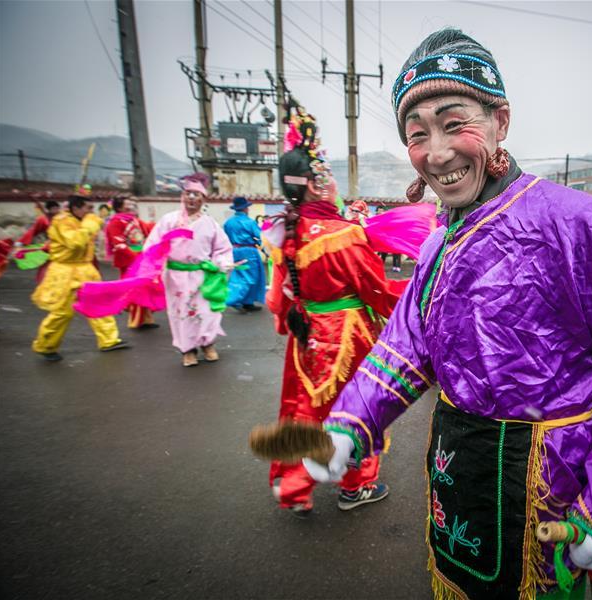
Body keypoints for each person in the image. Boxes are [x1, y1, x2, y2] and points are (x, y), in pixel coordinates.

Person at [302, 29, 592, 599]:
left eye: (454, 123)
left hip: (549, 478)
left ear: (500, 123)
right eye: (417, 135)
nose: (437, 152)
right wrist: (351, 424)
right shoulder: (439, 242)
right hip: (457, 466)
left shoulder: (580, 224)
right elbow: (406, 346)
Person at [265, 105, 404, 515]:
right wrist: (412, 308)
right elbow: (377, 291)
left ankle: (293, 486)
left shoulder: (282, 233)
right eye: (324, 174)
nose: (331, 181)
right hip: (347, 334)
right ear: (315, 184)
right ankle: (355, 486)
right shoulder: (345, 235)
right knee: (356, 408)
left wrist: (292, 317)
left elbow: (277, 302)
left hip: (305, 336)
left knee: (305, 409)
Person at [142, 174, 234, 367]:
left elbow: (223, 248)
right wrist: (153, 267)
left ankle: (208, 344)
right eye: (188, 193)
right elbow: (153, 245)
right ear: (182, 197)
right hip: (176, 277)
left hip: (202, 276)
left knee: (207, 312)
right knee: (181, 313)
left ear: (203, 199)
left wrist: (220, 263)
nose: (192, 198)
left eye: (196, 194)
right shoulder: (169, 221)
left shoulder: (210, 224)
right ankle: (188, 349)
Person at [31, 195, 128, 361]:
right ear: (76, 208)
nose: (91, 212)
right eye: (88, 208)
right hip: (64, 271)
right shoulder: (61, 221)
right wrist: (90, 224)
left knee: (98, 304)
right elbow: (75, 241)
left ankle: (109, 340)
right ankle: (46, 346)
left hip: (85, 269)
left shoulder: (82, 220)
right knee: (62, 312)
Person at [105, 196, 158, 329]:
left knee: (144, 288)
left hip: (140, 258)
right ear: (119, 208)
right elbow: (119, 244)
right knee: (135, 289)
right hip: (129, 261)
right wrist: (135, 258)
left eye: (133, 204)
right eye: (128, 204)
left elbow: (148, 229)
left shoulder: (134, 220)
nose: (132, 206)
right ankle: (136, 320)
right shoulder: (115, 222)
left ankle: (146, 318)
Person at [223, 196, 266, 313]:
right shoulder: (250, 222)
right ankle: (234, 300)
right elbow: (260, 237)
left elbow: (225, 238)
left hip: (235, 251)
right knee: (250, 277)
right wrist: (266, 251)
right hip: (249, 251)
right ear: (246, 208)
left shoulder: (228, 223)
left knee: (239, 275)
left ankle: (248, 302)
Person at [17, 200, 61, 283]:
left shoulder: (64, 217)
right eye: (54, 208)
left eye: (57, 208)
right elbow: (33, 231)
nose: (56, 210)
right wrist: (21, 242)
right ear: (49, 210)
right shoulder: (43, 220)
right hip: (52, 245)